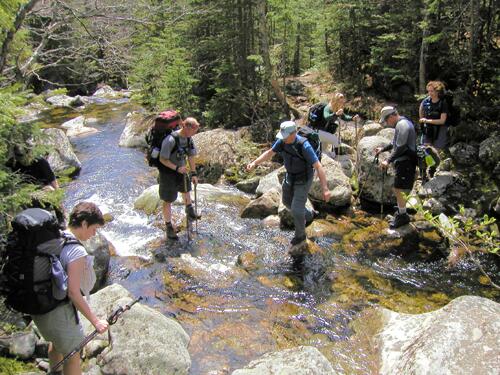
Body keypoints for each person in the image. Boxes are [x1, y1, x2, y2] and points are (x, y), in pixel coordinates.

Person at [32, 202, 108, 375]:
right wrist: (95, 322)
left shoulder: (56, 235)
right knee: (73, 354)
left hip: (39, 306)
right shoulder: (76, 251)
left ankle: (55, 371)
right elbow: (73, 292)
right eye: (94, 228)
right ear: (83, 224)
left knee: (57, 344)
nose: (94, 234)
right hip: (57, 311)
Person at [247, 121, 331, 245]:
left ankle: (300, 236)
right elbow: (270, 152)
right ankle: (309, 215)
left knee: (297, 209)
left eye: (285, 136)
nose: (283, 138)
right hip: (290, 177)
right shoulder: (282, 141)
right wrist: (255, 163)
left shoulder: (304, 146)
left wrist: (325, 188)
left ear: (293, 133)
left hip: (304, 179)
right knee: (287, 202)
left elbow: (318, 167)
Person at [158, 117, 201, 240]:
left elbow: (191, 156)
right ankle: (169, 226)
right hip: (167, 173)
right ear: (186, 127)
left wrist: (193, 173)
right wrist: (176, 168)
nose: (194, 133)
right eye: (194, 131)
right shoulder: (170, 140)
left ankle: (190, 210)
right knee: (168, 200)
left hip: (181, 171)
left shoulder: (189, 139)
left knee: (186, 189)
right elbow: (162, 159)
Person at [375, 106, 417, 229]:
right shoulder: (402, 124)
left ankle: (402, 215)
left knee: (399, 188)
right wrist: (382, 149)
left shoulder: (402, 125)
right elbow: (394, 143)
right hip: (404, 161)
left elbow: (401, 146)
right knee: (398, 188)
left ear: (392, 116)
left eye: (386, 120)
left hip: (406, 162)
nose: (387, 123)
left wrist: (388, 160)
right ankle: (401, 210)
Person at [307, 92, 359, 159]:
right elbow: (327, 117)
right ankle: (338, 157)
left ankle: (325, 162)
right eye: (340, 101)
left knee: (323, 151)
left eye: (342, 102)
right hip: (318, 131)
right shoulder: (327, 108)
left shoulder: (337, 108)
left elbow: (344, 117)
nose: (341, 103)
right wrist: (335, 114)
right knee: (336, 140)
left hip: (325, 131)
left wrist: (352, 118)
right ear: (335, 100)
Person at [419, 80, 448, 150]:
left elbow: (442, 121)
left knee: (437, 150)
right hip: (428, 129)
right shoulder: (425, 101)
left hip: (440, 129)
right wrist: (423, 120)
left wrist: (427, 121)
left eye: (431, 91)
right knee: (426, 150)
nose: (429, 93)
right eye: (428, 91)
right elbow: (421, 110)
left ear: (437, 91)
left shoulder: (442, 103)